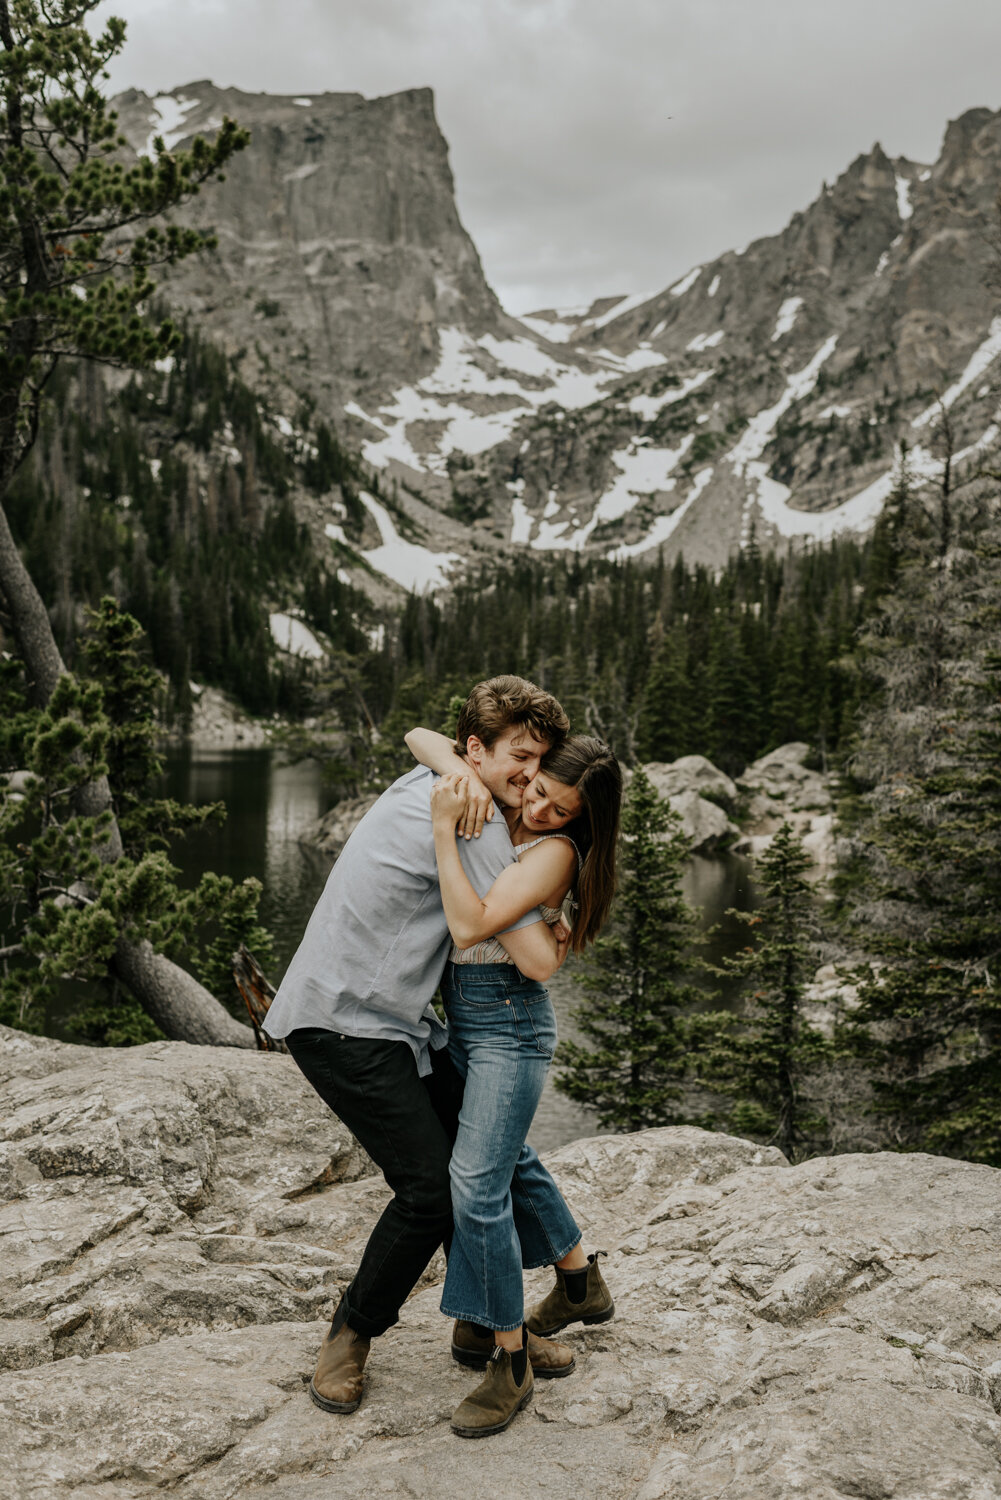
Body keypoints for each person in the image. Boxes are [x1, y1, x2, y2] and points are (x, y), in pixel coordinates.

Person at [262, 676, 577, 1417]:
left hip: (391, 1023)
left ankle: (482, 1322)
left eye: (541, 762)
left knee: (482, 1162)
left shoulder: (441, 776)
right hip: (342, 1023)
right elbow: (527, 954)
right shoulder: (469, 814)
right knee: (432, 1190)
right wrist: (556, 922)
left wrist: (455, 763)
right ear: (475, 751)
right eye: (520, 758)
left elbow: (423, 739)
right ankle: (351, 1332)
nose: (531, 777)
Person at [407, 729, 622, 1437]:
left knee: (475, 1182)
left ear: (580, 822)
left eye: (559, 809)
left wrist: (445, 830)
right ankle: (579, 1281)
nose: (535, 809)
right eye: (534, 790)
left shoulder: (553, 853)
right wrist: (455, 770)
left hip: (509, 1023)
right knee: (508, 1160)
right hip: (470, 1017)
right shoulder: (509, 803)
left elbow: (468, 927)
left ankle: (508, 1358)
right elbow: (420, 732)